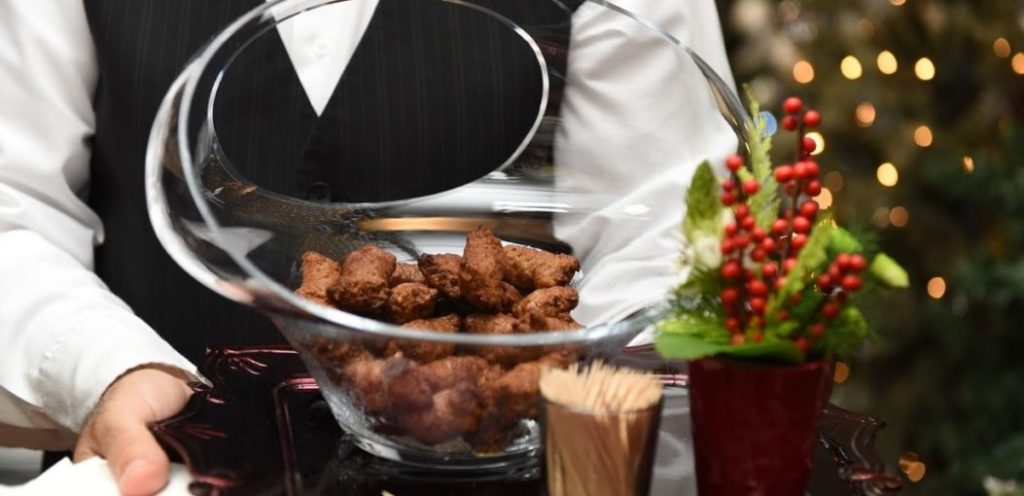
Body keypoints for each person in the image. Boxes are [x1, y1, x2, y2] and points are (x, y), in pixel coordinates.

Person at [0, 1, 735, 495]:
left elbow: (673, 230)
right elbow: (11, 206)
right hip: (168, 475)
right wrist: (107, 367)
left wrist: (519, 406)